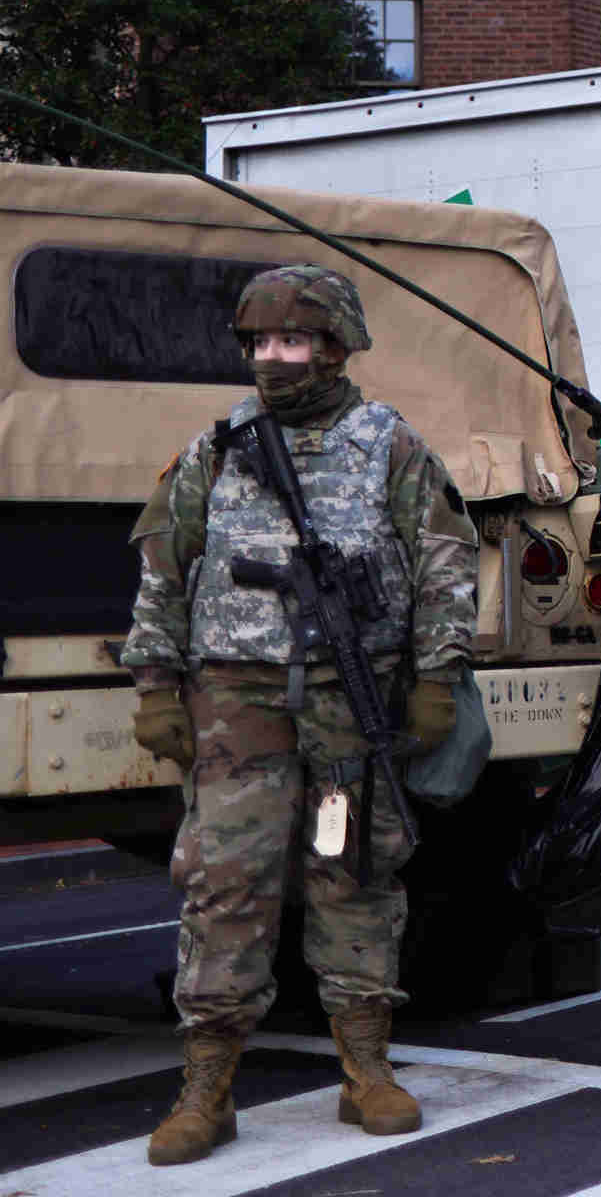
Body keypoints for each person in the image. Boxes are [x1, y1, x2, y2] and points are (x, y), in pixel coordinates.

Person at [122, 266, 478, 1166]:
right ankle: (207, 1088)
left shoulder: (388, 443)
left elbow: (443, 566)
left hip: (350, 701)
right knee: (225, 883)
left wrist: (437, 679)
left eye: (291, 343)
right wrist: (156, 685)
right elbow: (167, 567)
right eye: (259, 345)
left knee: (351, 873)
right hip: (236, 702)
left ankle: (366, 1069)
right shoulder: (216, 448)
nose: (272, 361)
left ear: (334, 345)